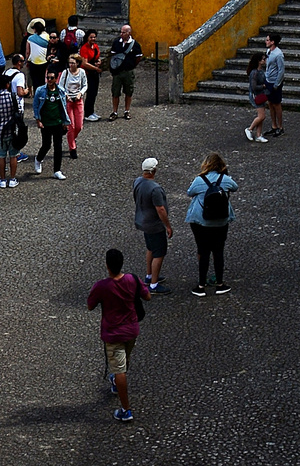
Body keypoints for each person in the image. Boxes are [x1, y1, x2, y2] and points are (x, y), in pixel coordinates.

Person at [87, 246, 150, 425]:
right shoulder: (132, 279)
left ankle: (125, 409)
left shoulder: (101, 286)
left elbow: (90, 306)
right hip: (131, 329)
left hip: (113, 333)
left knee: (119, 369)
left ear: (107, 266)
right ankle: (116, 381)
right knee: (125, 359)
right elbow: (147, 297)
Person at [186, 152, 237, 297]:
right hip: (221, 221)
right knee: (218, 251)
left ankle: (201, 285)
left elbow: (190, 193)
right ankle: (220, 284)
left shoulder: (199, 180)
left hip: (201, 222)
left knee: (203, 252)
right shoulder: (225, 179)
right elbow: (235, 187)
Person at [133, 157, 172, 293]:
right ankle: (154, 285)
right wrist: (167, 225)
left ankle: (149, 276)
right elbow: (160, 209)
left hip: (143, 222)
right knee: (159, 253)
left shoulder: (137, 182)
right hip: (154, 225)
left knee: (150, 248)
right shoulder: (155, 189)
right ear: (154, 170)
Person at [32, 69, 68, 178]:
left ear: (56, 78)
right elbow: (36, 106)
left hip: (57, 122)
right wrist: (38, 120)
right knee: (46, 145)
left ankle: (57, 170)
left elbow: (63, 107)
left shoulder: (60, 91)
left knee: (58, 147)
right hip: (46, 123)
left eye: (52, 78)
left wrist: (65, 122)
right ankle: (38, 159)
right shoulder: (40, 90)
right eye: (48, 78)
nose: (49, 80)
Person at [0, 75, 22, 188]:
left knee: (1, 157)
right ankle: (12, 179)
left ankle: (2, 180)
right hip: (11, 131)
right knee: (13, 156)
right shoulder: (13, 97)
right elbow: (20, 113)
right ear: (8, 84)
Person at [107, 24, 142, 120]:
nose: (121, 34)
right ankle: (115, 111)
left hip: (128, 71)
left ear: (129, 33)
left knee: (128, 91)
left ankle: (127, 110)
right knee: (115, 92)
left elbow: (138, 57)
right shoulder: (116, 43)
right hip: (117, 72)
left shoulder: (135, 45)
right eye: (121, 32)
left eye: (124, 32)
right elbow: (112, 56)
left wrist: (131, 65)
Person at [60, 53, 88, 159]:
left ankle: (72, 138)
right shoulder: (65, 73)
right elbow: (61, 86)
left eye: (73, 63)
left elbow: (85, 85)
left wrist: (80, 93)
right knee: (71, 126)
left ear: (77, 63)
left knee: (79, 125)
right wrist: (66, 95)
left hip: (78, 100)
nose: (71, 65)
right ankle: (72, 148)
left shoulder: (82, 72)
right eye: (70, 63)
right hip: (68, 101)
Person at [264, 32, 285, 137]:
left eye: (268, 40)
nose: (266, 41)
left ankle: (280, 127)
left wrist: (277, 84)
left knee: (277, 104)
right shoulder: (269, 51)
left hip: (274, 82)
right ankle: (274, 125)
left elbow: (281, 70)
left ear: (272, 42)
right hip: (268, 81)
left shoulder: (278, 54)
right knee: (270, 104)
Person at [244, 52, 269, 143]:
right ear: (258, 61)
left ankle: (259, 135)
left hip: (261, 95)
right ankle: (250, 129)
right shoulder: (254, 73)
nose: (264, 61)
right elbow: (254, 87)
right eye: (263, 59)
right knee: (261, 116)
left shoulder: (261, 71)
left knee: (261, 116)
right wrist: (263, 86)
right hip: (257, 95)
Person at [79, 31, 103, 120]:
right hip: (87, 73)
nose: (93, 39)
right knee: (90, 93)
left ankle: (91, 111)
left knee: (94, 93)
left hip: (94, 72)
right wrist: (96, 68)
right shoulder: (84, 48)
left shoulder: (95, 46)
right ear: (87, 38)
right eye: (91, 37)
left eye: (94, 37)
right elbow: (84, 63)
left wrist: (99, 62)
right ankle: (87, 114)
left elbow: (97, 57)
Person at [25, 19, 49, 91]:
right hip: (44, 62)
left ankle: (36, 95)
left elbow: (27, 52)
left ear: (35, 29)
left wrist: (27, 61)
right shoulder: (48, 37)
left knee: (35, 81)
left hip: (33, 62)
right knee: (42, 80)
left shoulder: (30, 38)